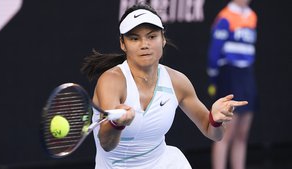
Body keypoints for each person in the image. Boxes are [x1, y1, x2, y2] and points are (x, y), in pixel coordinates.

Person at [81, 3, 248, 169]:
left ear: (163, 39)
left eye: (151, 36)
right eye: (134, 38)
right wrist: (117, 124)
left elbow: (214, 134)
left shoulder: (177, 81)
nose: (144, 44)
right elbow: (106, 144)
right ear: (123, 43)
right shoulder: (111, 81)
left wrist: (215, 120)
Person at [207, 0, 257, 169]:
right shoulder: (225, 17)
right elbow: (214, 53)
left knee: (242, 134)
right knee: (225, 134)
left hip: (247, 76)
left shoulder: (252, 16)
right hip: (229, 75)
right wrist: (213, 79)